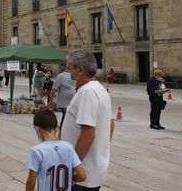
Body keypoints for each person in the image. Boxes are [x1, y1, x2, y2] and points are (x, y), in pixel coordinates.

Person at [61, 49, 115, 191]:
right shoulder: (100, 89)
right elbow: (111, 125)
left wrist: (74, 166)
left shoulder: (87, 92)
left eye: (69, 69)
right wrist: (100, 148)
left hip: (83, 174)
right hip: (94, 169)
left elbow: (88, 134)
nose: (67, 73)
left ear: (80, 70)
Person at [26, 110, 86, 191]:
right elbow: (82, 176)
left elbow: (31, 183)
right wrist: (70, 178)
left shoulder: (37, 151)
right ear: (57, 128)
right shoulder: (68, 147)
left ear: (37, 129)